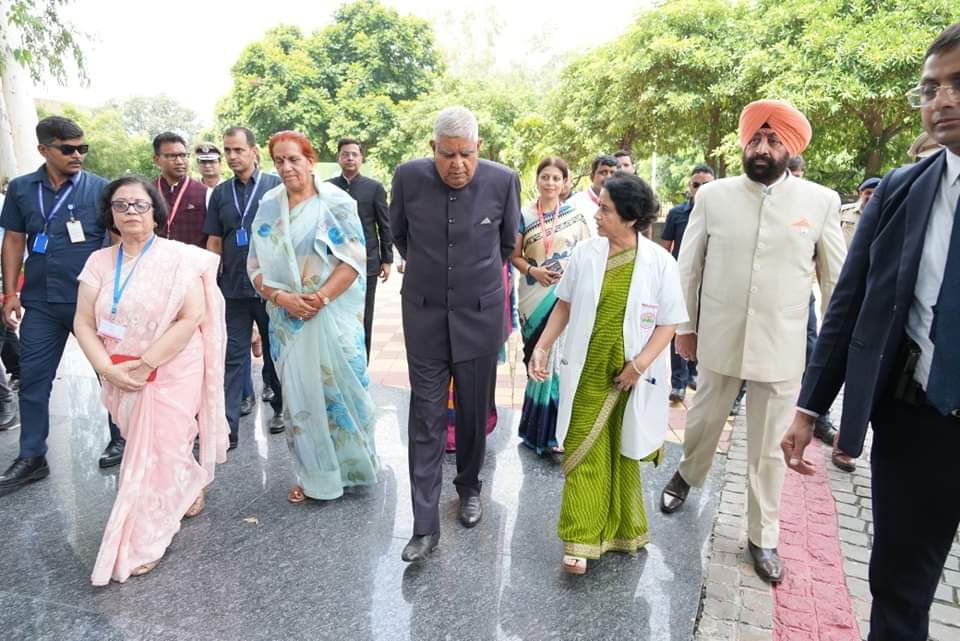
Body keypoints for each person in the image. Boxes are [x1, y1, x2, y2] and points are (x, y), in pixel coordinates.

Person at [781, 23, 960, 640]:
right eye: (932, 87)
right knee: (898, 594)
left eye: (959, 84)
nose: (944, 100)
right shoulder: (903, 192)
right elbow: (851, 305)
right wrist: (810, 406)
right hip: (918, 425)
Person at [659, 100, 846, 584]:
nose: (762, 149)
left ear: (790, 148)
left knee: (768, 448)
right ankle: (688, 475)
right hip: (717, 336)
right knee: (702, 420)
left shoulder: (820, 201)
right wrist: (685, 328)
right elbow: (689, 267)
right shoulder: (714, 196)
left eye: (773, 140)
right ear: (744, 143)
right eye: (755, 140)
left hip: (782, 347)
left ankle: (762, 535)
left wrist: (831, 350)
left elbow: (835, 283)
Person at [73, 175, 228, 584]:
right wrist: (107, 368)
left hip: (172, 365)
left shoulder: (182, 258)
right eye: (121, 205)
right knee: (159, 445)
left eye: (139, 205)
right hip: (118, 369)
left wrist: (145, 365)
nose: (130, 213)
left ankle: (146, 536)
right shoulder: (98, 262)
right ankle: (189, 480)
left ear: (155, 213)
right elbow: (83, 322)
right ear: (110, 214)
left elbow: (190, 317)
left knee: (160, 445)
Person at [529, 173, 685, 574]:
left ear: (631, 218)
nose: (597, 214)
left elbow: (668, 324)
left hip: (632, 377)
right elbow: (562, 306)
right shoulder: (586, 254)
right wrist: (542, 346)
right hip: (587, 373)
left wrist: (638, 366)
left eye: (606, 209)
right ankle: (579, 539)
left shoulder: (660, 263)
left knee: (622, 450)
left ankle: (621, 532)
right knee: (584, 452)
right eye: (599, 206)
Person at [390, 106, 521, 562]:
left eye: (466, 154)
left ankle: (469, 487)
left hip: (480, 318)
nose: (457, 164)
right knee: (425, 419)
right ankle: (423, 527)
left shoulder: (503, 181)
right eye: (447, 155)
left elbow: (506, 244)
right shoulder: (407, 178)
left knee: (472, 412)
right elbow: (400, 235)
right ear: (433, 150)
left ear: (479, 149)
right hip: (424, 318)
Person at [248, 131, 378, 503]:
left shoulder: (335, 203)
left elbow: (353, 260)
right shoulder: (270, 207)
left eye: (294, 159)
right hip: (288, 321)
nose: (287, 167)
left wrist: (318, 299)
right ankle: (316, 476)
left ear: (310, 160)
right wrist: (282, 297)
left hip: (333, 317)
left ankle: (355, 469)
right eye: (279, 161)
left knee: (345, 394)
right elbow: (255, 266)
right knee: (301, 398)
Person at [0, 116, 125, 495]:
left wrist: (121, 294)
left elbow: (122, 242)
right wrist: (10, 293)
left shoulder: (101, 190)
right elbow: (14, 241)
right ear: (43, 150)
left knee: (112, 376)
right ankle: (33, 456)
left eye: (82, 148)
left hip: (93, 303)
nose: (77, 155)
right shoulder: (22, 190)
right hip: (41, 302)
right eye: (68, 149)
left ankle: (122, 438)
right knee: (34, 380)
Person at [204, 127, 284, 449]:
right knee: (233, 355)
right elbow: (213, 240)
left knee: (275, 353)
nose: (233, 156)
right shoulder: (221, 193)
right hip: (234, 288)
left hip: (270, 287)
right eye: (228, 151)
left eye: (239, 150)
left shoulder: (274, 187)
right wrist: (209, 279)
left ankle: (280, 408)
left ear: (253, 151)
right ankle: (228, 425)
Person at [510, 156, 591, 454]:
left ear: (565, 182)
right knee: (536, 356)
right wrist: (534, 271)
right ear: (538, 179)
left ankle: (555, 431)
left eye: (557, 178)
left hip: (564, 298)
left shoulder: (577, 216)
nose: (551, 183)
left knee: (558, 362)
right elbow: (514, 255)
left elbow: (587, 256)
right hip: (533, 297)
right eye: (546, 177)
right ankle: (533, 430)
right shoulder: (523, 215)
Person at [327, 137, 392, 361]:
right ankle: (338, 362)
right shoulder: (327, 188)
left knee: (364, 316)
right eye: (346, 154)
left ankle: (361, 363)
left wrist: (387, 259)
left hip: (367, 262)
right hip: (333, 263)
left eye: (355, 154)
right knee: (335, 315)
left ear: (361, 158)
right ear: (339, 158)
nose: (350, 158)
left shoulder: (374, 188)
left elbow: (384, 225)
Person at [661, 164, 715, 402]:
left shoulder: (721, 215)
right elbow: (665, 249)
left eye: (707, 185)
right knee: (679, 328)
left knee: (704, 329)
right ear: (689, 187)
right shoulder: (676, 214)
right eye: (696, 185)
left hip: (711, 282)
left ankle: (695, 373)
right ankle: (678, 382)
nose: (701, 189)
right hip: (680, 282)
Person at [153, 132, 207, 248]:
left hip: (193, 262)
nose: (179, 161)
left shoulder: (205, 193)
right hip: (156, 261)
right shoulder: (147, 192)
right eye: (172, 156)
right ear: (157, 160)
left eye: (183, 155)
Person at [565, 155, 618, 236]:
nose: (608, 177)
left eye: (612, 173)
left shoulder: (621, 205)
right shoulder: (574, 204)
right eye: (603, 172)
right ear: (592, 176)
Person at [839, 176, 880, 248]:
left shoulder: (885, 216)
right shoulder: (844, 211)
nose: (871, 197)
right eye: (868, 193)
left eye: (876, 193)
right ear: (861, 194)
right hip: (842, 257)